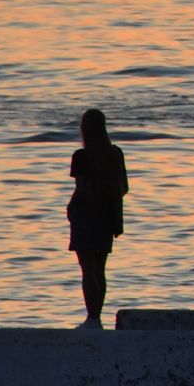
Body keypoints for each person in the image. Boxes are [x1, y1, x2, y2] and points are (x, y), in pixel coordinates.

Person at [66, 108, 129, 331]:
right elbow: (124, 188)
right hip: (106, 216)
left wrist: (70, 208)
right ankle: (96, 318)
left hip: (85, 217)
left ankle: (92, 318)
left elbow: (81, 189)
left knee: (87, 269)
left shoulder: (81, 156)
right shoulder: (115, 154)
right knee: (100, 270)